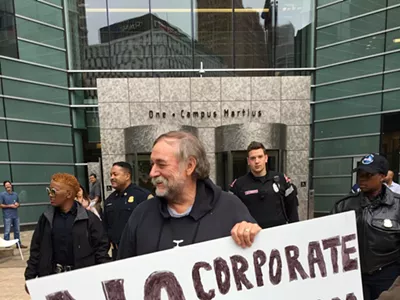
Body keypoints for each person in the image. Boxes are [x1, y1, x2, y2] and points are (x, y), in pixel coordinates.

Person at [117, 131, 261, 260]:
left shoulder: (230, 209)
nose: (152, 173)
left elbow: (258, 266)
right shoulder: (141, 215)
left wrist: (253, 235)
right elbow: (120, 277)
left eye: (161, 164)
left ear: (189, 166)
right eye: (152, 164)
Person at [24, 173, 110, 293]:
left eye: (53, 191)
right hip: (51, 279)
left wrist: (105, 276)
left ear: (69, 194)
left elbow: (101, 249)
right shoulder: (46, 218)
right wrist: (30, 277)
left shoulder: (89, 219)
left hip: (81, 281)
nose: (50, 195)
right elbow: (36, 249)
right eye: (48, 190)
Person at [332, 154, 400, 300]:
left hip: (388, 276)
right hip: (352, 275)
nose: (362, 179)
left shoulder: (397, 206)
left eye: (368, 175)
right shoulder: (343, 205)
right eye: (360, 174)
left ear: (382, 176)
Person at [229, 141, 299, 229]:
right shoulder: (239, 184)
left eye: (260, 157)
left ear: (266, 158)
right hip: (252, 237)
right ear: (248, 161)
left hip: (279, 234)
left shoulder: (281, 179)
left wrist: (295, 230)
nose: (257, 161)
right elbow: (231, 212)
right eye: (253, 158)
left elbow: (292, 208)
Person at [103, 162, 153, 260]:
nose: (112, 178)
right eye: (111, 175)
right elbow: (105, 229)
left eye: (115, 174)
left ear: (127, 176)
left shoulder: (142, 196)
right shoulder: (109, 200)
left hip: (140, 253)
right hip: (118, 254)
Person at [0, 181, 27, 248]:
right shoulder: (2, 195)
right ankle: (7, 246)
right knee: (7, 231)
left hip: (15, 216)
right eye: (6, 185)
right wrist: (10, 206)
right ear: (5, 187)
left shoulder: (15, 194)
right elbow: (0, 205)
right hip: (7, 216)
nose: (8, 186)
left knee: (17, 231)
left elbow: (18, 203)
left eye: (9, 184)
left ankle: (18, 244)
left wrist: (18, 204)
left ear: (11, 185)